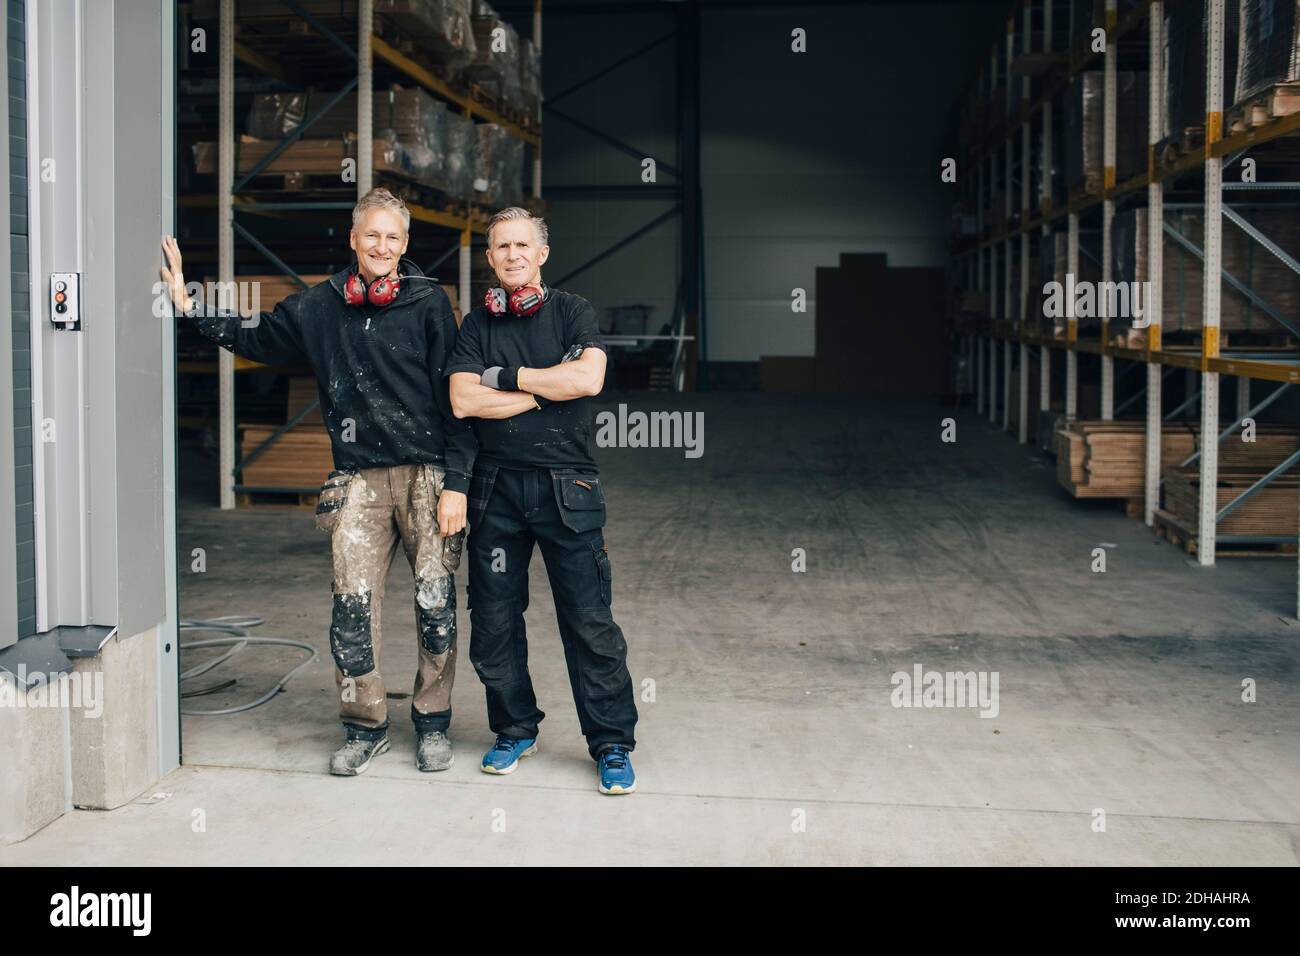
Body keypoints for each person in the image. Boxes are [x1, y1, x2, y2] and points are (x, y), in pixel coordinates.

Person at [160, 187, 473, 777]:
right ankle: (365, 726)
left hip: (427, 477)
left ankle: (432, 722)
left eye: (393, 237)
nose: (382, 246)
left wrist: (456, 481)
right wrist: (186, 303)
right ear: (353, 240)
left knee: (436, 605)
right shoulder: (318, 307)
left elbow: (456, 398)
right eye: (371, 234)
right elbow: (253, 337)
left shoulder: (431, 303)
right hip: (356, 481)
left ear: (405, 245)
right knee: (351, 611)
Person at [447, 206, 639, 795]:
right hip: (495, 489)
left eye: (522, 245)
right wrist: (540, 388)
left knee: (588, 621)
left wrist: (504, 379)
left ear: (542, 253)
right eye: (501, 246)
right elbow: (461, 401)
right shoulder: (476, 324)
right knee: (495, 621)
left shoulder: (572, 310)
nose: (512, 255)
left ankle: (610, 744)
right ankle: (514, 729)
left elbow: (587, 380)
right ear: (490, 257)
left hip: (568, 488)